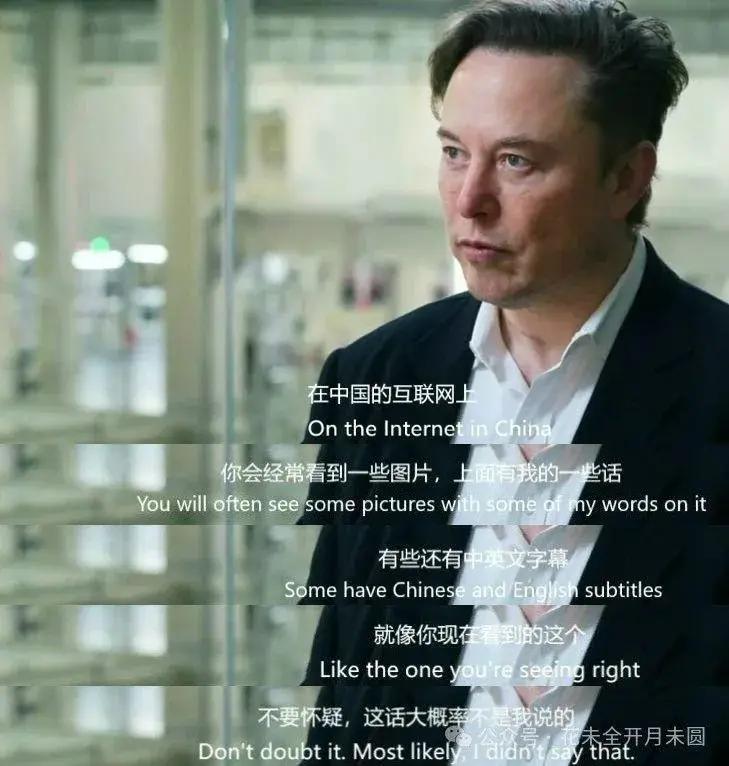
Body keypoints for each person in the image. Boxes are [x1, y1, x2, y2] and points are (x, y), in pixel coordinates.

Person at [297, 2, 729, 764]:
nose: (469, 200)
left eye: (516, 162)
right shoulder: (373, 379)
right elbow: (352, 693)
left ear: (625, 177)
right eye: (453, 153)